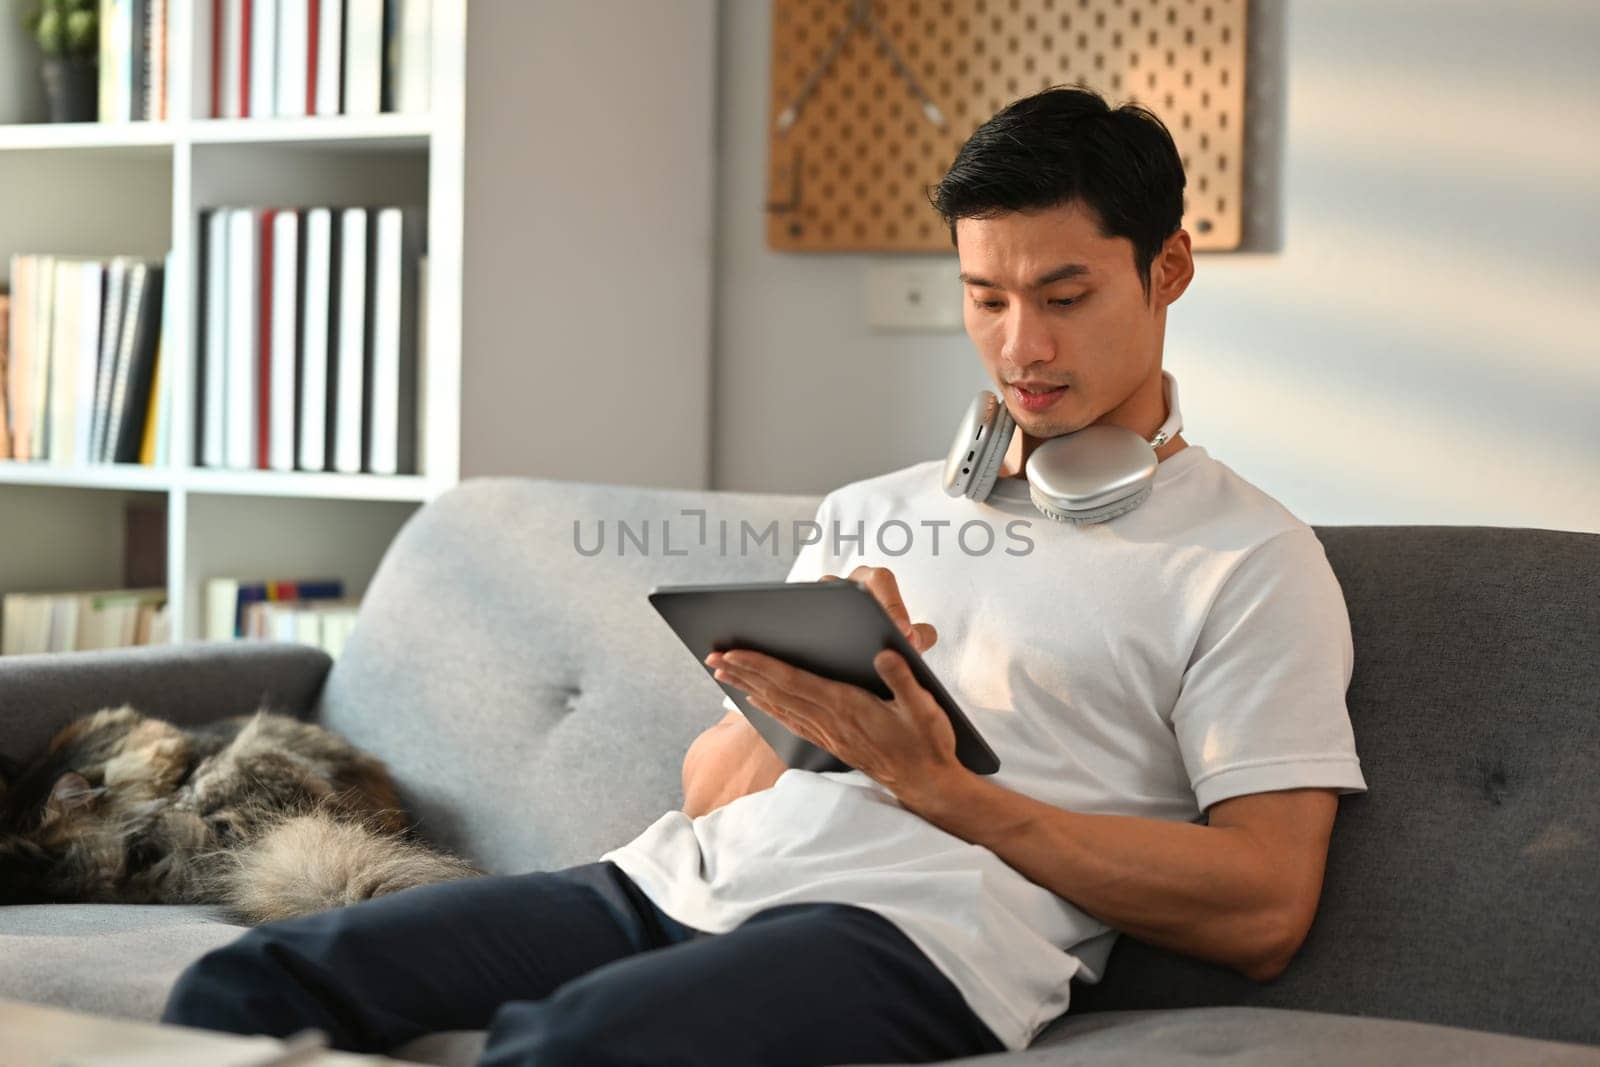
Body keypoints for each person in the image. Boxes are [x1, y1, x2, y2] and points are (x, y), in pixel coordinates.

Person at [162, 85, 1366, 1066]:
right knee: (253, 977)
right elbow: (709, 791)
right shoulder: (871, 511)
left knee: (568, 1047)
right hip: (675, 881)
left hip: (913, 939)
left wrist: (945, 789)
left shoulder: (1249, 558)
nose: (1020, 347)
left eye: (1063, 296)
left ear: (1167, 271)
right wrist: (793, 706)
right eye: (984, 297)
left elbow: (1263, 907)